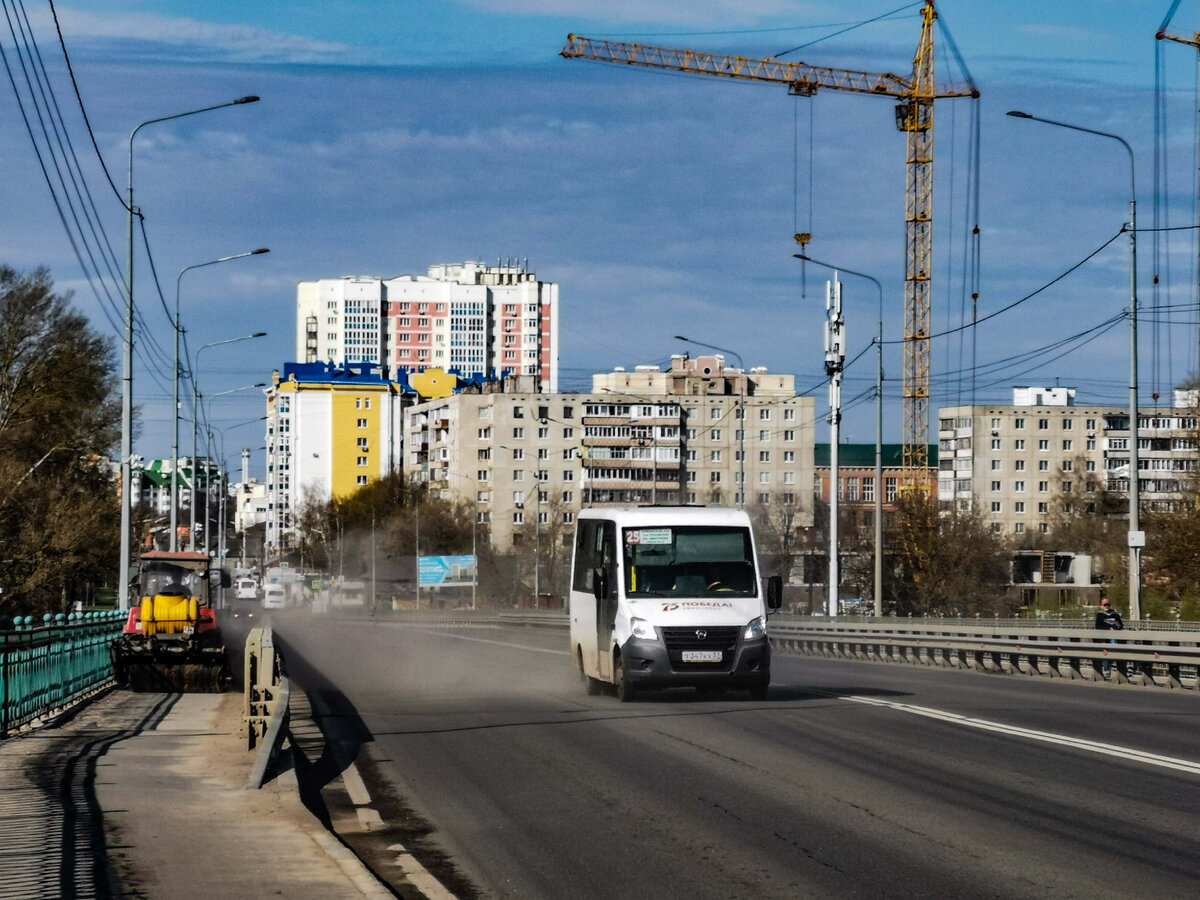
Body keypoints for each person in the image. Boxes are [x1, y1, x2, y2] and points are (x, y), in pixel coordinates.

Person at [1094, 599, 1123, 677]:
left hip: (1114, 638)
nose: (1106, 606)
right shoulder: (1100, 615)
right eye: (1105, 605)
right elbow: (1098, 626)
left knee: (1114, 653)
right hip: (1104, 638)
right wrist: (1108, 628)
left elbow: (1120, 625)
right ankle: (1107, 669)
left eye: (1107, 605)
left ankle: (1114, 668)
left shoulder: (1115, 615)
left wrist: (1114, 628)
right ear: (1102, 606)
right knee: (1106, 653)